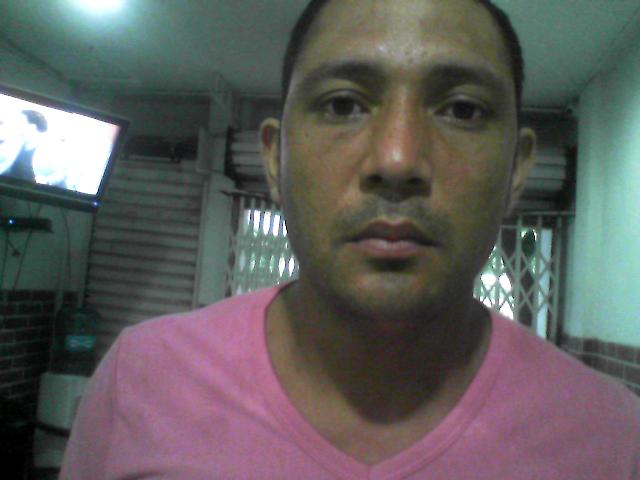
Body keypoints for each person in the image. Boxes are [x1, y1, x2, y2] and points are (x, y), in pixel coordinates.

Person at [60, 0, 640, 478]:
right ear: (274, 158)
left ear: (517, 168)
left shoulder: (615, 438)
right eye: (343, 104)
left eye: (462, 110)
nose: (397, 159)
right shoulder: (142, 379)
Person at [0, 107, 47, 182]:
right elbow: (5, 164)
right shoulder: (18, 142)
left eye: (20, 123)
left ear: (32, 127)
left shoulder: (43, 152)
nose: (16, 126)